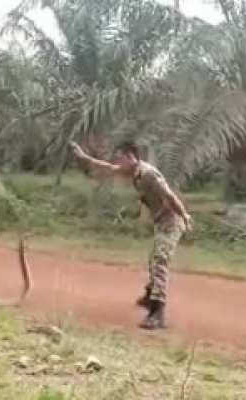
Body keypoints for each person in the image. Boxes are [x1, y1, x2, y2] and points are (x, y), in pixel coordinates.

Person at [69, 140, 193, 330]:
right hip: (161, 221)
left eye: (120, 158)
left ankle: (157, 313)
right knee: (155, 258)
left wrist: (184, 215)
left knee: (160, 259)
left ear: (130, 157)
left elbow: (169, 195)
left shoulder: (148, 174)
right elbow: (107, 168)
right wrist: (84, 157)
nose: (117, 162)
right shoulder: (133, 172)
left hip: (172, 221)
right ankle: (150, 294)